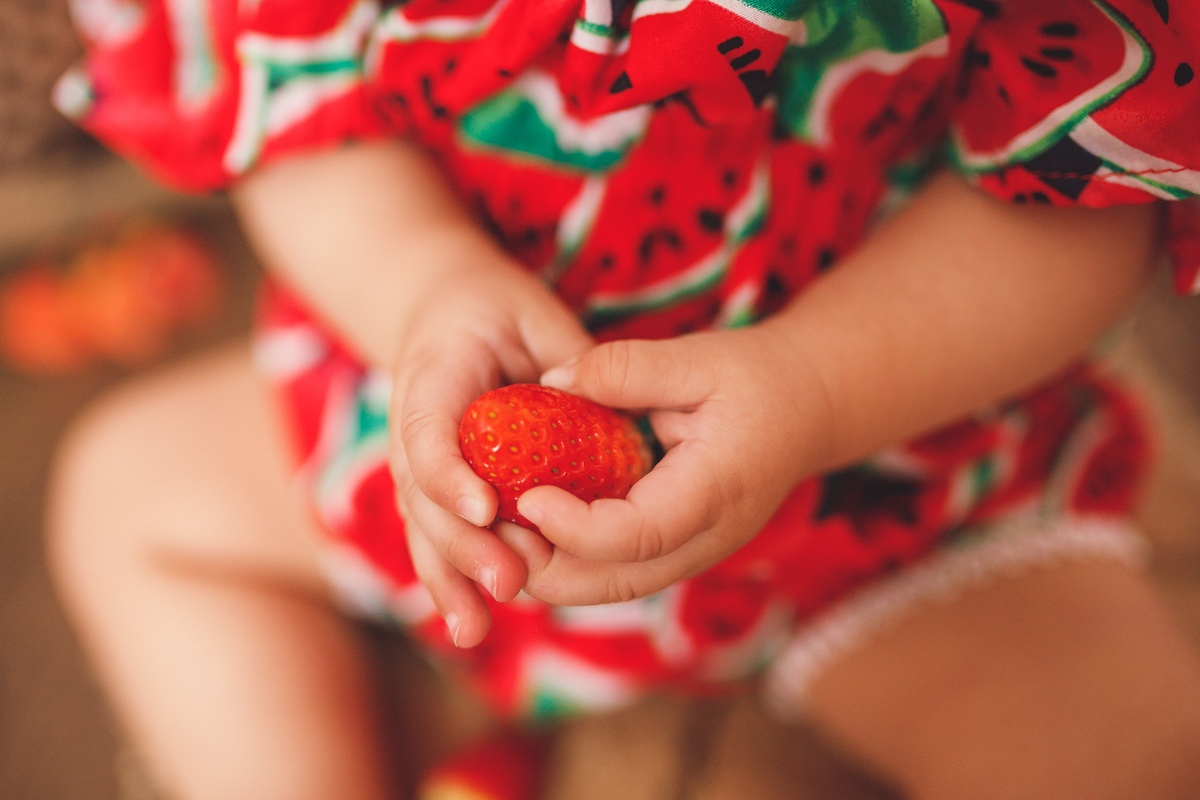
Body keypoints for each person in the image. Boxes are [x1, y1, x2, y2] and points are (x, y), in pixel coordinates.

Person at [46, 0, 1200, 798]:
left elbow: (1088, 198)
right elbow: (291, 114)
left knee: (1133, 759)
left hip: (897, 473)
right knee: (125, 495)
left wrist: (816, 385)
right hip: (424, 438)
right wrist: (424, 284)